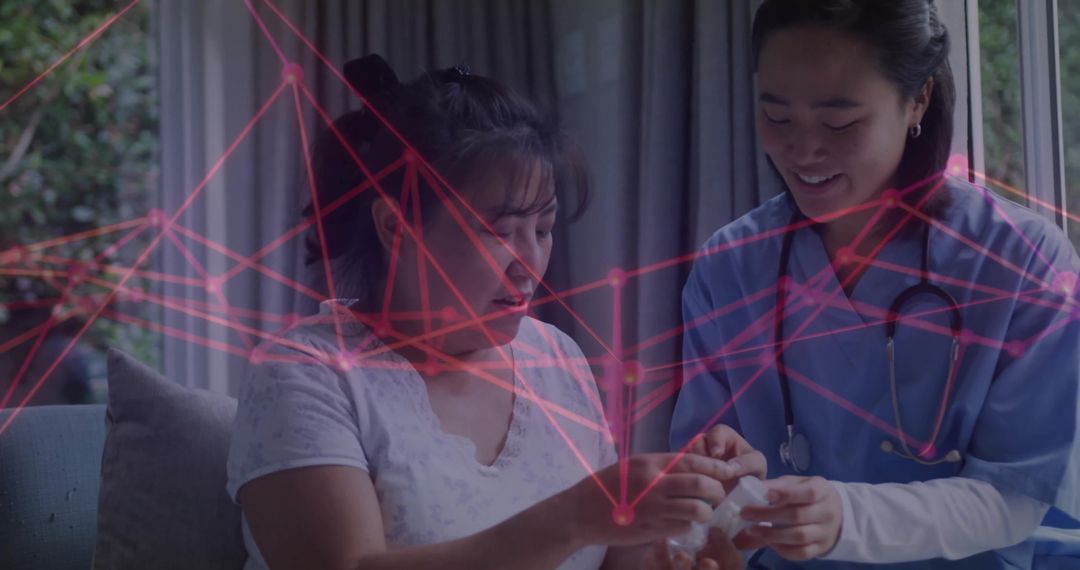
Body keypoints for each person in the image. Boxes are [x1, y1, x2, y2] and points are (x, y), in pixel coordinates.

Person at [227, 54, 741, 570]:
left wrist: (692, 530)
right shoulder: (306, 375)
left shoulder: (555, 357)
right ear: (395, 226)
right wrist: (576, 517)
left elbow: (607, 558)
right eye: (499, 231)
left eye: (543, 230)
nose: (529, 264)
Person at [670, 1, 1080, 568]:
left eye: (839, 123)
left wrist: (848, 518)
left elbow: (1015, 494)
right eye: (776, 116)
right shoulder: (730, 267)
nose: (803, 150)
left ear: (917, 101)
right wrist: (721, 486)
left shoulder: (1022, 260)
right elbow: (704, 481)